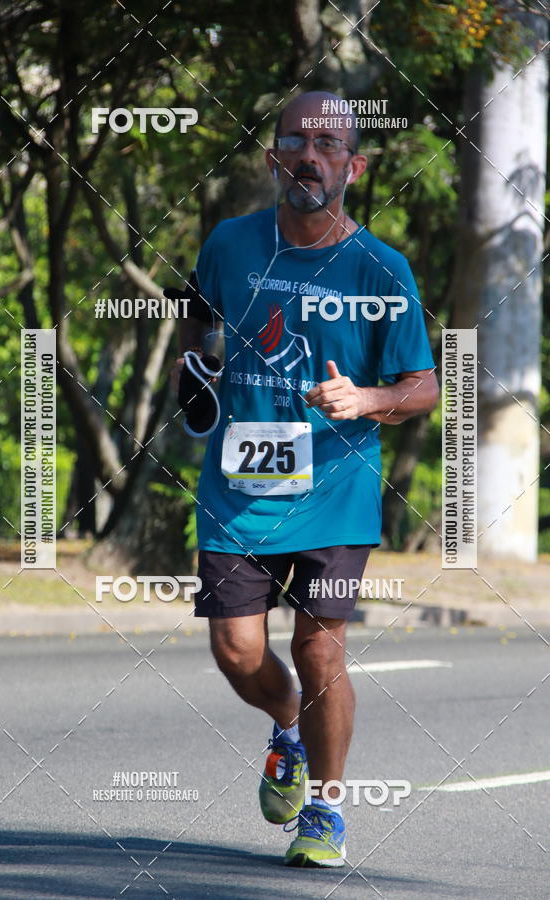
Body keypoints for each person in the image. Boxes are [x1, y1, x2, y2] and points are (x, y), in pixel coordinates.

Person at [171, 90, 439, 867]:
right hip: (239, 488)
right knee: (236, 650)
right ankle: (287, 727)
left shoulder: (381, 270)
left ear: (354, 167)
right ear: (273, 158)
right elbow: (198, 313)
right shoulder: (230, 243)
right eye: (295, 142)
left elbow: (425, 387)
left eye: (328, 145)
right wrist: (200, 364)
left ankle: (324, 811)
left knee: (320, 650)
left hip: (335, 489)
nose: (309, 157)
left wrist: (369, 400)